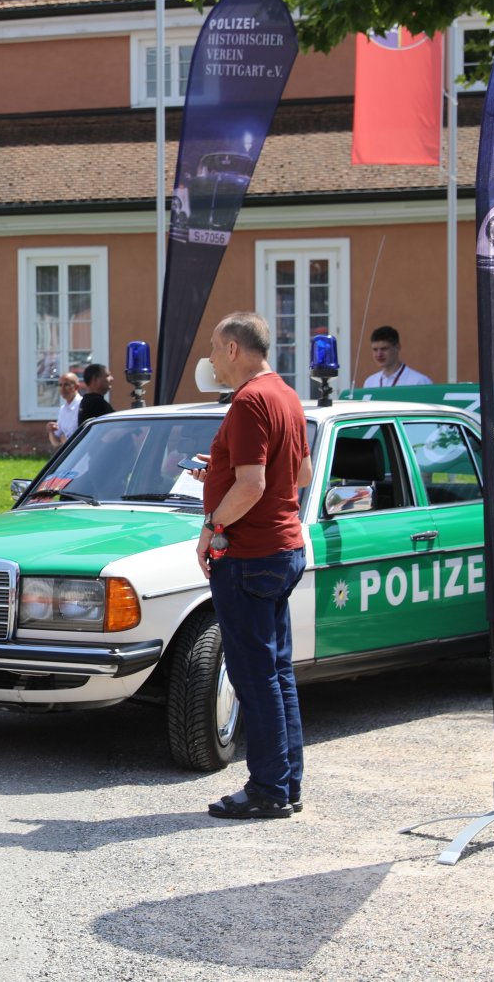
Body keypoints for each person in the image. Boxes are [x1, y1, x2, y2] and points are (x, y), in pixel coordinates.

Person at [191, 312, 312, 820]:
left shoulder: (247, 401)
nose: (211, 358)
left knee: (254, 675)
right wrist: (220, 471)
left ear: (234, 349)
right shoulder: (286, 395)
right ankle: (286, 783)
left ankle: (267, 789)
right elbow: (301, 474)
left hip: (249, 555)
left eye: (214, 347)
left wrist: (212, 526)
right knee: (276, 672)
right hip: (282, 549)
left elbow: (252, 485)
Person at [362, 326, 433, 388]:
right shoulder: (370, 383)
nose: (379, 354)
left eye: (384, 349)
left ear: (397, 347)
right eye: (375, 350)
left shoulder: (419, 382)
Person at [48, 372, 81, 449]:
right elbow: (56, 442)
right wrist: (51, 431)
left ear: (76, 387)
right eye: (60, 385)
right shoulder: (63, 409)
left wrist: (64, 439)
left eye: (66, 385)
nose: (62, 388)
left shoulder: (82, 406)